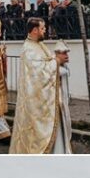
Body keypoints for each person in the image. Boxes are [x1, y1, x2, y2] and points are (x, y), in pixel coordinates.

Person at [10, 19, 71, 153]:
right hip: (36, 104)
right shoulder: (28, 49)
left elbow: (48, 62)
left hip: (49, 99)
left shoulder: (39, 45)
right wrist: (57, 61)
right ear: (35, 30)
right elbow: (38, 74)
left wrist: (59, 59)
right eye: (43, 28)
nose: (45, 31)